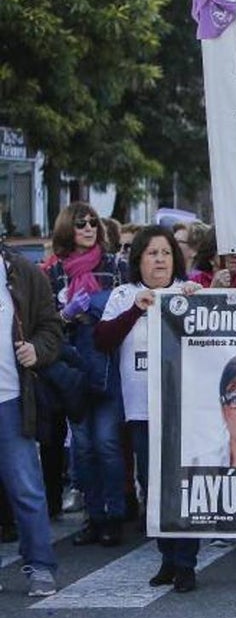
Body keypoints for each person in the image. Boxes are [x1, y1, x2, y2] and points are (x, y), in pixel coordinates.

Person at [95, 225, 200, 592]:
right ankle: (167, 558)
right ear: (138, 259)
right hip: (141, 409)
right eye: (152, 253)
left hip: (184, 408)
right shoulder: (124, 294)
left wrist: (198, 301)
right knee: (151, 486)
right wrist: (134, 312)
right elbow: (102, 339)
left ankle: (186, 563)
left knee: (181, 485)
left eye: (167, 253)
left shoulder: (189, 293)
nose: (160, 260)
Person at [42, 203, 126, 547]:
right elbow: (46, 318)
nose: (89, 228)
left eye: (93, 222)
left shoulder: (113, 265)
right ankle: (95, 516)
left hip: (106, 362)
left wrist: (93, 307)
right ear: (68, 229)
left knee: (107, 443)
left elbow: (124, 305)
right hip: (72, 365)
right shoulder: (54, 271)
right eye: (81, 224)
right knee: (84, 447)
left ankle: (116, 515)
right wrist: (66, 313)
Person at [0, 238, 63, 596]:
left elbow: (51, 327)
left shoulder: (23, 273)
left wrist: (36, 350)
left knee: (25, 486)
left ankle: (40, 564)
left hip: (9, 397)